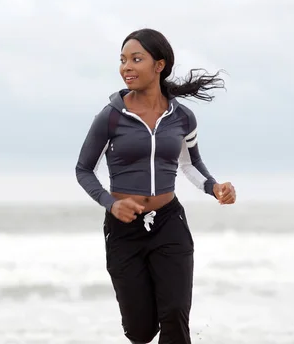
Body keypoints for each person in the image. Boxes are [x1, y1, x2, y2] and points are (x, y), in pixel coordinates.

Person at [75, 28, 236, 344]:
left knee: (175, 314)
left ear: (159, 65)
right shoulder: (110, 117)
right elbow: (84, 170)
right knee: (141, 330)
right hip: (123, 229)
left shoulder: (182, 118)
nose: (127, 67)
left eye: (136, 59)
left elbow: (190, 165)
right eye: (123, 60)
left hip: (168, 223)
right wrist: (111, 203)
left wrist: (215, 187)